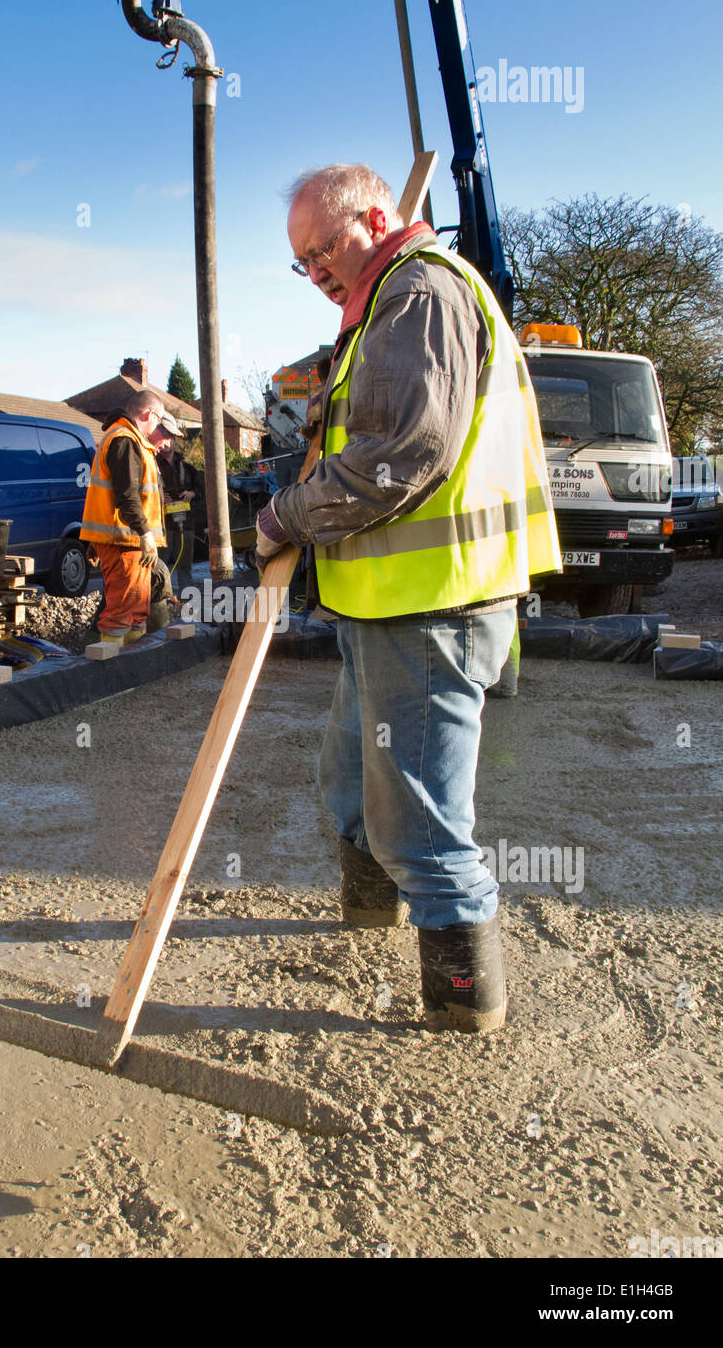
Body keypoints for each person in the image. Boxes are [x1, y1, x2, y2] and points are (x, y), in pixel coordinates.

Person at [255, 163, 560, 1033]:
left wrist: (284, 518)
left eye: (326, 246)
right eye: (301, 259)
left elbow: (401, 454)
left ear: (380, 215)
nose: (315, 268)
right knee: (350, 786)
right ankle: (366, 919)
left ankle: (463, 1007)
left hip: (432, 606)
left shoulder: (418, 293)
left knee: (418, 823)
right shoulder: (379, 303)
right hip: (380, 603)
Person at [80, 391, 172, 645]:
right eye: (158, 419)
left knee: (135, 612)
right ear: (148, 414)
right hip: (124, 540)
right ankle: (113, 672)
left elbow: (111, 494)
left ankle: (129, 668)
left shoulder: (124, 439)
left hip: (124, 539)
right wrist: (145, 534)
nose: (157, 426)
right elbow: (127, 495)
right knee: (121, 612)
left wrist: (96, 540)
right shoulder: (125, 440)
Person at [154, 424, 199, 589]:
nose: (168, 444)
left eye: (171, 440)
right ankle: (161, 594)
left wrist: (191, 494)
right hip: (163, 524)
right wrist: (159, 497)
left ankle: (187, 594)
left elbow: (200, 488)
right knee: (161, 561)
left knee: (185, 562)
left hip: (185, 522)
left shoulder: (187, 468)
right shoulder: (153, 466)